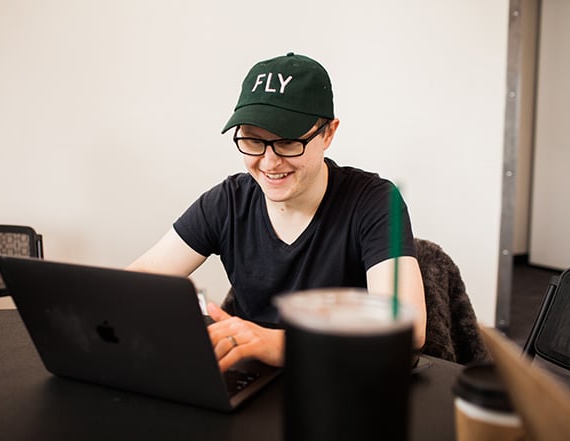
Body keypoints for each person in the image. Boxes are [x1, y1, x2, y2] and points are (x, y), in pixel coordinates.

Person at [128, 52, 427, 372]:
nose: (269, 163)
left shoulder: (374, 201)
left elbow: (407, 329)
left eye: (287, 143)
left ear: (328, 133)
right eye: (254, 141)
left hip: (340, 381)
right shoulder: (228, 202)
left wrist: (281, 344)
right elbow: (138, 281)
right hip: (254, 380)